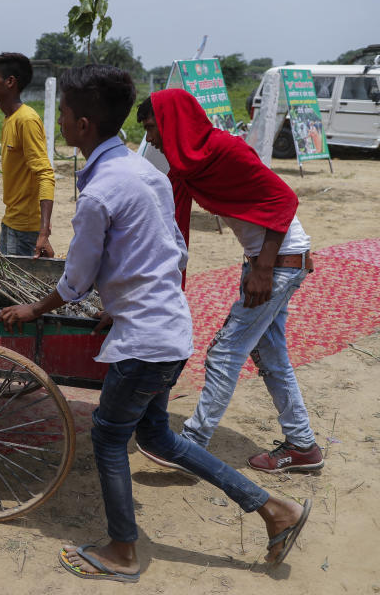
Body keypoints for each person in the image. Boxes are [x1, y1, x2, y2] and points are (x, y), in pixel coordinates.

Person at [0, 66, 312, 583]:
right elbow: (170, 249)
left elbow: (77, 275)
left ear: (80, 125)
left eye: (61, 115)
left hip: (144, 342)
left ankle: (123, 551)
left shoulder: (102, 190)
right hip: (169, 331)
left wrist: (36, 308)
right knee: (160, 439)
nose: (58, 122)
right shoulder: (145, 174)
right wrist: (123, 298)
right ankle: (273, 509)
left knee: (106, 436)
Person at [137, 89, 324, 474]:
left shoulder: (226, 151)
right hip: (268, 261)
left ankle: (192, 447)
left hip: (279, 262)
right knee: (270, 354)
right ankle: (303, 444)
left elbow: (284, 200)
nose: (151, 138)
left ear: (172, 122)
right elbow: (169, 220)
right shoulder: (189, 165)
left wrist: (263, 270)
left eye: (151, 128)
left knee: (225, 352)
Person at [0, 52, 55, 257]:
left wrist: (43, 232)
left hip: (24, 229)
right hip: (11, 222)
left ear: (10, 82)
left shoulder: (26, 120)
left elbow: (45, 174)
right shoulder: (10, 119)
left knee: (17, 287)